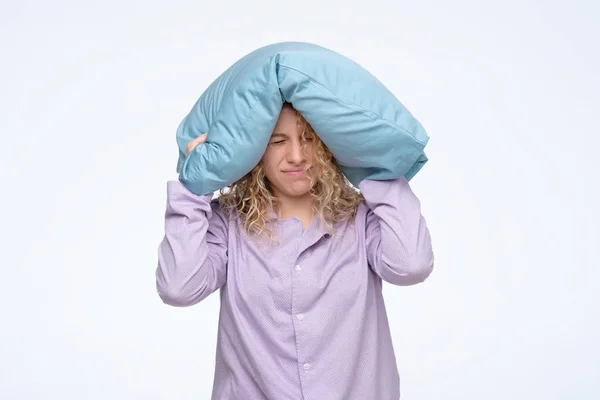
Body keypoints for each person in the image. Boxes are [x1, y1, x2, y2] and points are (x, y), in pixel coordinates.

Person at [156, 102, 434, 400]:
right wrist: (195, 186)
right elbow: (179, 287)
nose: (297, 156)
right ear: (254, 150)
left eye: (310, 137)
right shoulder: (226, 222)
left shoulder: (363, 218)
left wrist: (375, 169)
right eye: (277, 141)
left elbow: (410, 265)